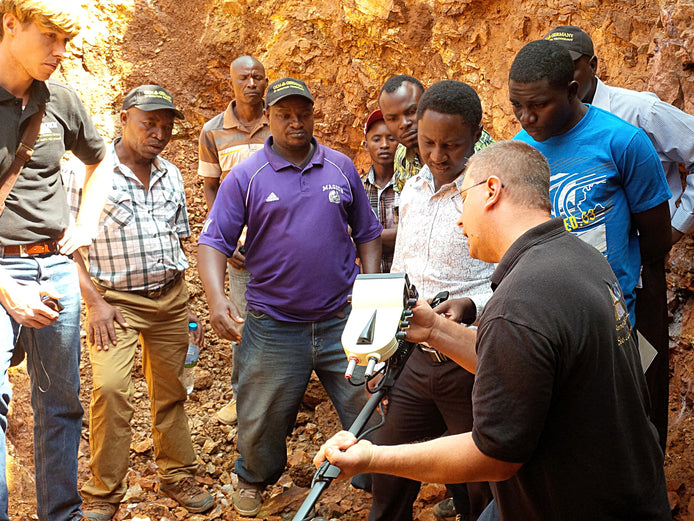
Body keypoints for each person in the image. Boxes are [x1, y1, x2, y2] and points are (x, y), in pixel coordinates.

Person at [314, 140, 672, 521]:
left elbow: (494, 455)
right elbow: (524, 363)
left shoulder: (521, 300)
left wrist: (372, 456)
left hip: (576, 503)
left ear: (491, 190)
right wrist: (434, 329)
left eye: (462, 196)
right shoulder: (578, 256)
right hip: (624, 487)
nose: (458, 219)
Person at [197, 77, 383, 517]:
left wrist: (370, 292)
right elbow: (213, 242)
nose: (295, 122)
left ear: (314, 115)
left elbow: (369, 234)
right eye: (284, 115)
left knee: (367, 400)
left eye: (303, 113)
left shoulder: (340, 167)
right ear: (268, 118)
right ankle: (254, 478)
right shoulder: (246, 175)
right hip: (272, 324)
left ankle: (376, 475)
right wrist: (217, 300)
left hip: (342, 318)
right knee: (260, 415)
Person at [545, 24, 694, 451]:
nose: (562, 80)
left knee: (641, 380)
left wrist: (676, 225)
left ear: (592, 66)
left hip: (639, 273)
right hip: (573, 278)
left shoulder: (637, 112)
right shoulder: (545, 124)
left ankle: (646, 484)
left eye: (571, 69)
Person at [78, 85, 214, 520]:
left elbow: (178, 240)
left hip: (170, 299)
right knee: (112, 389)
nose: (159, 132)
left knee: (171, 390)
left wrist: (186, 298)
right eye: (148, 122)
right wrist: (95, 304)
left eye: (166, 126)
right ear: (123, 119)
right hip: (114, 302)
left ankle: (176, 476)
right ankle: (103, 493)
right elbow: (65, 248)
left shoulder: (172, 174)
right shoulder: (91, 172)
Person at [0, 1, 113, 519]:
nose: (61, 53)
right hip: (2, 270)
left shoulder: (62, 101)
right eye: (49, 37)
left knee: (60, 408)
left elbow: (101, 159)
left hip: (56, 272)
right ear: (9, 24)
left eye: (66, 41)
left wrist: (86, 223)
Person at [369, 80, 494, 521]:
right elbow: (400, 273)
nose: (438, 155)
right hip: (415, 360)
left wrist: (469, 305)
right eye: (427, 143)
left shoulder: (488, 193)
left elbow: (510, 274)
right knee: (387, 463)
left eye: (451, 145)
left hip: (468, 361)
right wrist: (381, 349)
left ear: (476, 136)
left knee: (476, 481)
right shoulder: (413, 190)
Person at [508, 39, 672, 334]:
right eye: (517, 106)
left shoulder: (623, 142)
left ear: (572, 91)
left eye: (539, 105)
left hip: (609, 320)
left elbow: (655, 239)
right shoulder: (521, 150)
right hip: (546, 318)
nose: (526, 117)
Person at [198, 55, 270, 426]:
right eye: (244, 77)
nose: (251, 83)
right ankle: (243, 396)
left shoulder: (279, 122)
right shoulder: (213, 131)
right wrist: (225, 241)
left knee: (286, 315)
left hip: (280, 246)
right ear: (232, 82)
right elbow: (211, 187)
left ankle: (281, 389)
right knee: (241, 321)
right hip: (241, 249)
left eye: (258, 76)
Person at [361, 108, 399, 272]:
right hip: (368, 286)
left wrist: (364, 239)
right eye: (376, 139)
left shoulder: (411, 185)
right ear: (366, 145)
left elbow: (415, 238)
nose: (384, 145)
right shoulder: (357, 188)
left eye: (391, 138)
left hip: (408, 286)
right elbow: (343, 241)